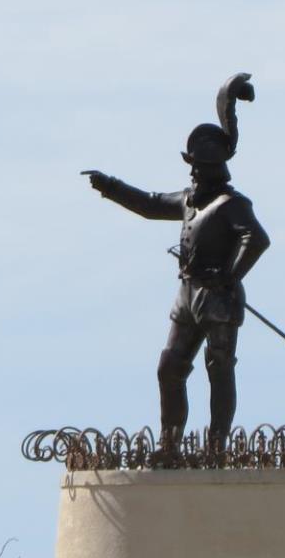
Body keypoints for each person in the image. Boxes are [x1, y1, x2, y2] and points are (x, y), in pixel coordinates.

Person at [86, 73, 269, 458]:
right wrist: (110, 186)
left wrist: (229, 276)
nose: (191, 173)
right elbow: (151, 204)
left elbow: (257, 239)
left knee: (218, 369)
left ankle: (216, 447)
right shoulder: (189, 201)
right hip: (187, 295)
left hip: (217, 298)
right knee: (170, 368)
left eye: (198, 167)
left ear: (214, 169)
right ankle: (170, 447)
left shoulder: (231, 204)